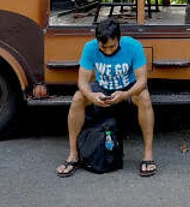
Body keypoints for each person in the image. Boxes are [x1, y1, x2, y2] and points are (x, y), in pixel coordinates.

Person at [56, 19, 156, 178]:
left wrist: (125, 94)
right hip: (102, 87)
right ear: (97, 41)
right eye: (103, 47)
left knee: (144, 96)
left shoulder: (133, 46)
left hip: (128, 89)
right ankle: (73, 155)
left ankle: (148, 155)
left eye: (112, 47)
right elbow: (82, 82)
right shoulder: (89, 48)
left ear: (119, 39)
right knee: (77, 98)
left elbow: (142, 81)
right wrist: (91, 96)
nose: (108, 51)